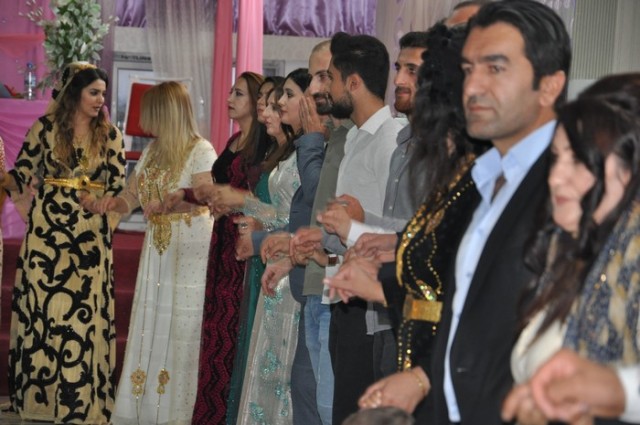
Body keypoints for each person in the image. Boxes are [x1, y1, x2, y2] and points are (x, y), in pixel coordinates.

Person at [323, 22, 485, 416]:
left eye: (415, 72)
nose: (400, 82)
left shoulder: (470, 169)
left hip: (431, 336)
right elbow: (420, 236)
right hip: (393, 315)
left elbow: (455, 271)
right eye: (400, 69)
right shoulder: (408, 150)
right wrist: (377, 246)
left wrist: (361, 234)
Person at [502, 77, 640, 425]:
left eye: (578, 159)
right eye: (555, 158)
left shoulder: (632, 257)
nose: (555, 178)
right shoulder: (568, 249)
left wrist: (613, 390)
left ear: (629, 169)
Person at [4, 62, 126, 424]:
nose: (100, 100)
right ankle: (41, 402)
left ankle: (79, 404)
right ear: (75, 93)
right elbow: (22, 173)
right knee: (45, 314)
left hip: (88, 234)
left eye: (103, 93)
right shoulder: (44, 128)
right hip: (46, 234)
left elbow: (118, 187)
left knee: (80, 318)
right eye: (94, 92)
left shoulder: (111, 135)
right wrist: (7, 182)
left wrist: (103, 211)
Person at [95, 81, 216, 424]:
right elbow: (132, 197)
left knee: (183, 331)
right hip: (158, 253)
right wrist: (108, 203)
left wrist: (172, 204)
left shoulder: (201, 150)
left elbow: (207, 198)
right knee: (152, 326)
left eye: (151, 113)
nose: (145, 121)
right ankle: (146, 412)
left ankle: (178, 414)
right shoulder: (152, 151)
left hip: (189, 251)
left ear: (166, 112)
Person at [169, 71, 267, 425]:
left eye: (238, 93)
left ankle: (225, 414)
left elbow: (258, 198)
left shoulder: (262, 145)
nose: (229, 98)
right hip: (221, 241)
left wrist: (232, 200)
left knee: (231, 332)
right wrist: (190, 194)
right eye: (230, 92)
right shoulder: (235, 140)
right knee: (214, 329)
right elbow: (220, 189)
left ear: (256, 102)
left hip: (243, 243)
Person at [322, 31, 403, 424]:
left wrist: (355, 224)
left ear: (353, 83)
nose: (326, 88)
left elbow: (402, 228)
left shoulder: (391, 140)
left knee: (357, 413)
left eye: (331, 78)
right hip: (344, 292)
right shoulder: (355, 136)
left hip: (372, 304)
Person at [226, 76, 286, 425]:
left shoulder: (294, 155)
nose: (266, 108)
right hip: (260, 253)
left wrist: (242, 203)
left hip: (280, 260)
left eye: (274, 103)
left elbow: (291, 215)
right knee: (254, 346)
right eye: (264, 100)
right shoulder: (275, 152)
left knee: (274, 358)